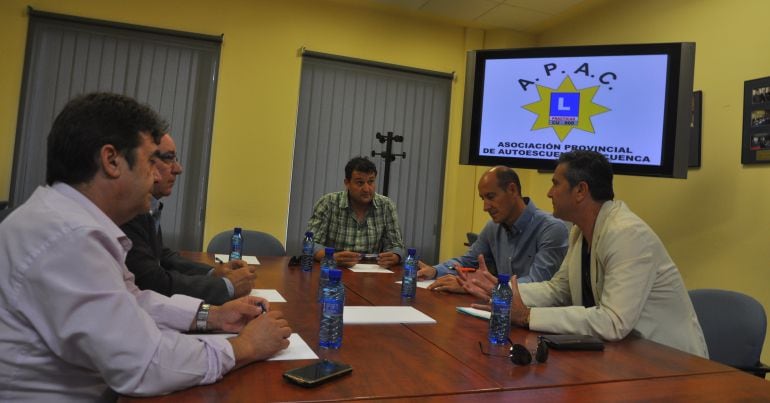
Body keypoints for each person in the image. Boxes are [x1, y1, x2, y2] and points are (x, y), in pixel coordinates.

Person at [0, 92, 292, 401]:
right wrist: (244, 347)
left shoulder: (65, 220)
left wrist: (214, 316)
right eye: (151, 159)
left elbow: (133, 302)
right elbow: (145, 364)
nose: (157, 174)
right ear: (111, 160)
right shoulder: (69, 237)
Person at [459, 151, 708, 357]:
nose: (548, 193)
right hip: (624, 355)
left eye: (555, 184)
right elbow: (559, 290)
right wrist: (502, 292)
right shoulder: (580, 232)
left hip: (671, 363)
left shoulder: (627, 234)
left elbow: (612, 322)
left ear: (580, 191)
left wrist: (527, 315)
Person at [121, 133, 255, 305]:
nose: (178, 169)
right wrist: (226, 286)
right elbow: (152, 282)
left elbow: (161, 255)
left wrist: (214, 273)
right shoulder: (127, 212)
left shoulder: (148, 206)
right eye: (168, 158)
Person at [416, 166, 568, 293]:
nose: (485, 207)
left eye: (491, 197)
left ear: (512, 190)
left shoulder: (551, 229)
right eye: (483, 199)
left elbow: (537, 284)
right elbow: (467, 261)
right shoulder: (493, 227)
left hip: (534, 318)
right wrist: (435, 271)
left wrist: (478, 286)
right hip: (500, 311)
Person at [306, 156, 405, 268]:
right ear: (347, 183)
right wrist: (331, 257)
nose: (367, 189)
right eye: (360, 183)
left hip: (372, 272)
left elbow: (397, 245)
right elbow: (311, 243)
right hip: (334, 269)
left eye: (371, 182)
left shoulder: (386, 206)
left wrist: (395, 256)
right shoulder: (328, 203)